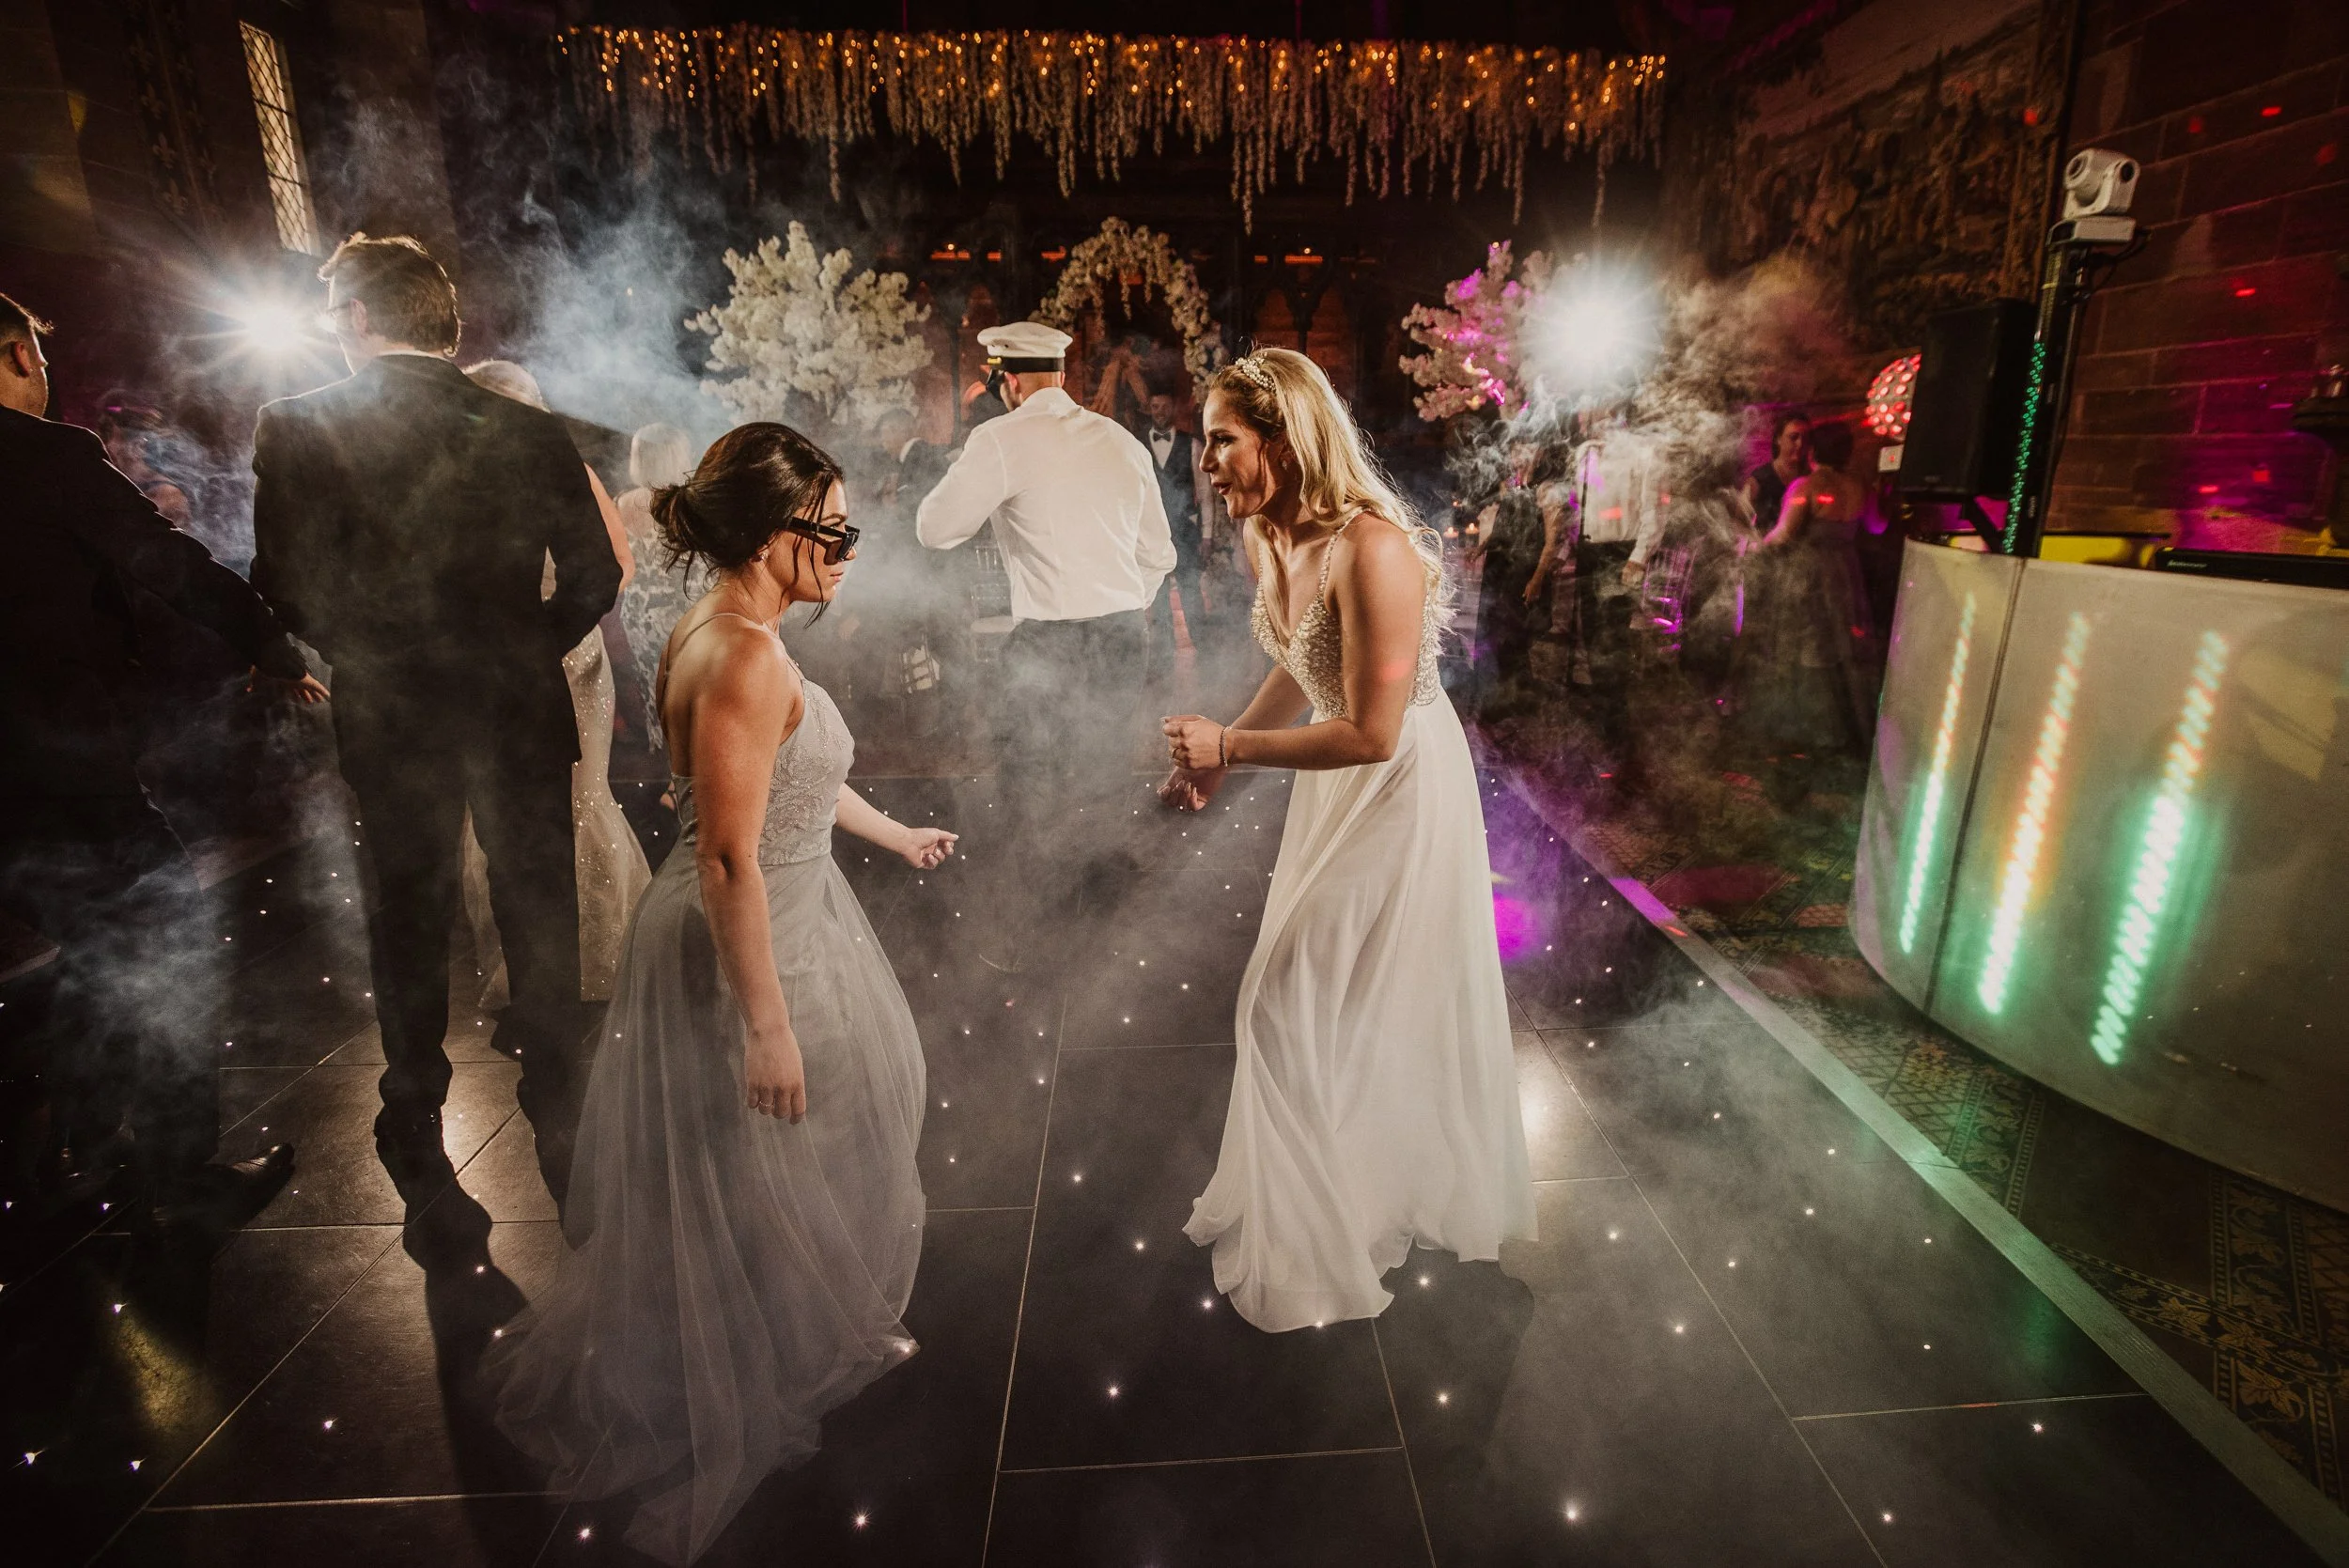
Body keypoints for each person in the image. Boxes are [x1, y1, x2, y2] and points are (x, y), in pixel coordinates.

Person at [489, 423, 950, 1566]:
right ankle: (761, 1365)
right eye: (828, 527)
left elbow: (789, 779)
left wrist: (889, 832)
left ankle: (804, 1331)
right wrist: (768, 1025)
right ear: (768, 530)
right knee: (766, 1141)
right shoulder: (742, 653)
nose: (847, 546)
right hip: (752, 934)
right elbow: (729, 856)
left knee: (777, 1152)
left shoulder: (733, 630)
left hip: (778, 911)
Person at [1159, 349, 1534, 1332]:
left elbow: (1372, 730)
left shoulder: (1373, 549)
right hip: (1332, 782)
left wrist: (1231, 743)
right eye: (1206, 441)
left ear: (1284, 438)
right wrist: (1222, 759)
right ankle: (1343, 1199)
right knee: (1331, 1003)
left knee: (1283, 998)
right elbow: (1299, 664)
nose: (1206, 460)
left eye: (1222, 439)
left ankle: (1322, 1244)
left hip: (1398, 784)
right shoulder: (1263, 538)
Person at [249, 234, 621, 1205]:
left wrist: (362, 647)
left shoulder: (295, 426)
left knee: (407, 909)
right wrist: (521, 648)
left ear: (361, 318)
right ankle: (556, 1079)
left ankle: (414, 1097)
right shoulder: (529, 429)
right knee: (535, 898)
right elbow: (597, 576)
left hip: (391, 708)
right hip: (515, 701)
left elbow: (281, 586)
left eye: (336, 314)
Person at [0, 290, 322, 1225]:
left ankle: (81, 1149)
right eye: (42, 362)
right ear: (21, 356)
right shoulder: (46, 457)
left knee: (97, 951)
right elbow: (162, 561)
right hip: (61, 772)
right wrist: (271, 643)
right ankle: (183, 1182)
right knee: (170, 939)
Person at [916, 320, 1174, 966]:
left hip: (1048, 642)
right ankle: (1102, 933)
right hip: (1120, 635)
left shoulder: (1000, 438)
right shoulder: (1122, 442)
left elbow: (934, 529)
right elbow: (1160, 554)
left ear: (1009, 381)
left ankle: (1032, 935)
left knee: (1031, 779)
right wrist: (1121, 602)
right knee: (1105, 771)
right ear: (1061, 376)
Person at [454, 360, 650, 1005]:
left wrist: (547, 628)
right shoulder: (454, 479)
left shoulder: (564, 469)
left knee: (580, 797)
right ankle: (527, 963)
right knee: (499, 813)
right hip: (486, 665)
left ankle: (602, 952)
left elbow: (615, 566)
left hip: (566, 653)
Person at [1744, 418, 1875, 798]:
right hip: (1847, 578)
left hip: (1809, 581)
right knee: (1840, 654)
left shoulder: (1805, 486)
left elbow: (1782, 537)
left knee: (1805, 656)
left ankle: (1810, 740)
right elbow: (1879, 526)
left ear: (1815, 450)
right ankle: (1847, 740)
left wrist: (1749, 547)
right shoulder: (1857, 486)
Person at [1572, 416, 1666, 776]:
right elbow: (1579, 503)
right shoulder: (1586, 454)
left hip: (1620, 555)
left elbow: (1654, 513)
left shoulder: (1644, 453)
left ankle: (1621, 747)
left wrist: (1638, 560)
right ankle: (1603, 736)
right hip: (1590, 552)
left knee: (1612, 651)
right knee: (1592, 649)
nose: (1590, 416)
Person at [614, 422, 705, 748]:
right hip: (681, 611)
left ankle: (668, 766)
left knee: (657, 694)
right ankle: (686, 778)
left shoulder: (622, 503)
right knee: (692, 699)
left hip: (638, 613)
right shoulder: (687, 503)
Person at [1466, 437, 1565, 722]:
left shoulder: (1548, 491)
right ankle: (1502, 698)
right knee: (1494, 637)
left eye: (1528, 449)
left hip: (1522, 574)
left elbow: (1551, 542)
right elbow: (1502, 528)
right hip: (1499, 572)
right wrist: (1481, 547)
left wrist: (1536, 580)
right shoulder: (1512, 487)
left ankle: (1511, 702)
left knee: (1513, 640)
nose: (1520, 455)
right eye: (1516, 449)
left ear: (1541, 452)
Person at [1143, 381, 1211, 680]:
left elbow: (1204, 493)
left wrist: (1207, 535)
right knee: (1155, 596)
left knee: (1190, 592)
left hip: (1184, 531)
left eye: (1165, 406)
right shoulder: (1135, 446)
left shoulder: (1192, 445)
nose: (1160, 412)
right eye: (1155, 406)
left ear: (1173, 409)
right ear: (1149, 409)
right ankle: (1161, 659)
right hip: (1150, 535)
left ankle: (1207, 654)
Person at [1744, 411, 1811, 537]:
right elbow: (1739, 522)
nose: (1800, 444)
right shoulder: (1759, 480)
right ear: (1778, 439)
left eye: (1805, 438)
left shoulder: (1810, 479)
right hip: (1768, 552)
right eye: (1793, 437)